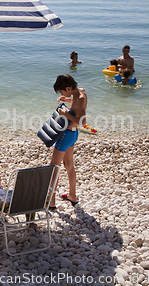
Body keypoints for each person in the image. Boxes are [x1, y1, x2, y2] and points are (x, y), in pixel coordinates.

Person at [49, 74, 87, 210]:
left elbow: (83, 121)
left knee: (54, 166)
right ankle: (72, 195)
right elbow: (75, 103)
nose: (61, 94)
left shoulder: (81, 99)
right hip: (72, 135)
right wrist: (67, 99)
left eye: (62, 92)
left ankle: (51, 202)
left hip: (65, 135)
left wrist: (65, 114)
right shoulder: (80, 92)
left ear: (68, 88)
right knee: (68, 164)